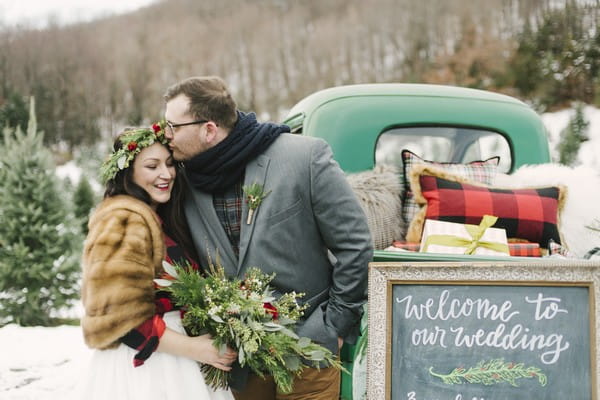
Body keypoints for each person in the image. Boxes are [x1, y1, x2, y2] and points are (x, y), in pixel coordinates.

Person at [163, 76, 374, 400]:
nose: (167, 136)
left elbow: (355, 244)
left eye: (173, 126)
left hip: (309, 353)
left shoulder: (305, 157)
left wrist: (333, 326)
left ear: (208, 129)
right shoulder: (181, 180)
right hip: (238, 364)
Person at [78, 123, 236, 400]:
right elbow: (122, 320)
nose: (166, 174)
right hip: (149, 369)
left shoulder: (160, 218)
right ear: (128, 173)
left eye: (170, 164)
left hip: (179, 358)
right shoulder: (124, 220)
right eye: (152, 166)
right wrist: (198, 349)